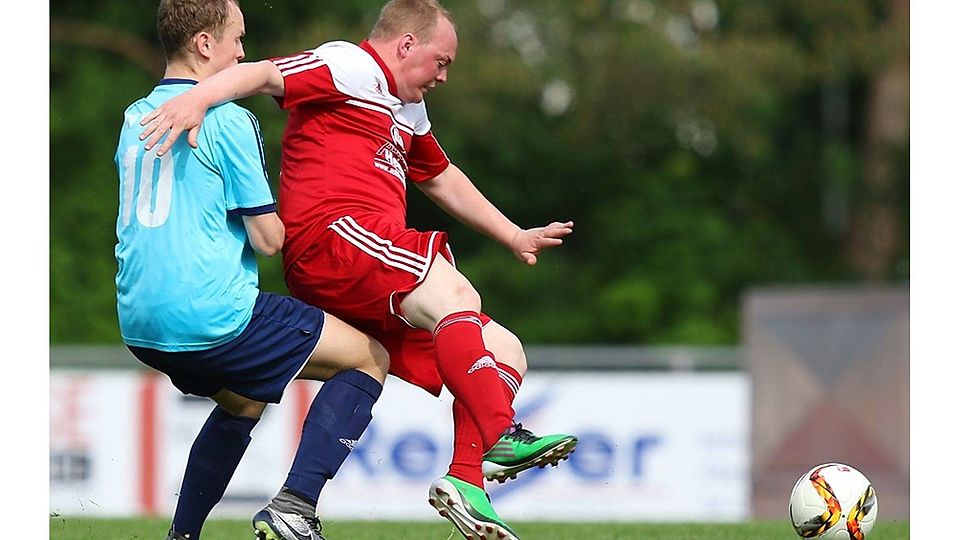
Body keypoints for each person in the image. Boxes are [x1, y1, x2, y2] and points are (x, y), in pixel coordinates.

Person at [138, 1, 577, 538]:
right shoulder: (349, 65)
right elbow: (265, 74)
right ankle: (500, 433)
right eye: (441, 61)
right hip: (336, 237)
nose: (444, 75)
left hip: (365, 265)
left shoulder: (406, 111)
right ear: (407, 45)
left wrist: (512, 233)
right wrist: (199, 97)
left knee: (504, 350)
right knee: (454, 291)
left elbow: (440, 177)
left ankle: (462, 481)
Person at [115, 1, 392, 539]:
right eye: (237, 39)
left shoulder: (133, 117)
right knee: (368, 357)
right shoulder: (228, 118)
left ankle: (181, 537)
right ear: (204, 44)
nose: (243, 52)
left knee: (243, 400)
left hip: (140, 324)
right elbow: (269, 241)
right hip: (209, 316)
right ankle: (296, 504)